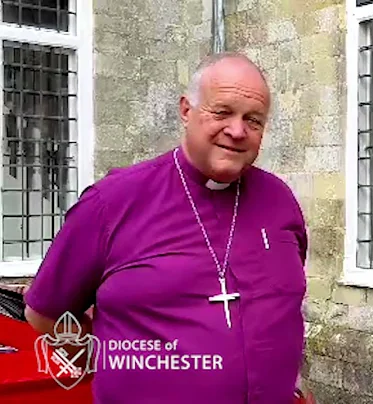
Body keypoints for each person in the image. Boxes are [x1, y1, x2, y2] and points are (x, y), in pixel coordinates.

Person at [23, 52, 312, 403]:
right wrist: (118, 366)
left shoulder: (279, 201)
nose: (237, 131)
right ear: (186, 110)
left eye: (253, 120)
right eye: (222, 112)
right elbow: (43, 314)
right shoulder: (112, 202)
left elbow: (283, 311)